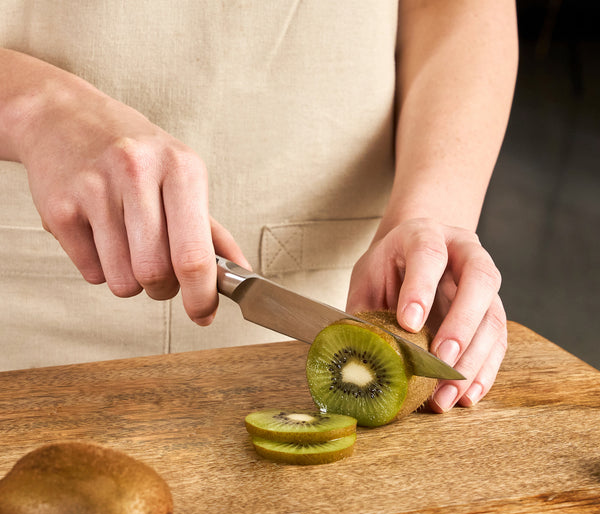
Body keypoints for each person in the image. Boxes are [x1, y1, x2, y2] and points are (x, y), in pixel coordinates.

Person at [0, 1, 518, 412]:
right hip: (24, 315)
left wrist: (427, 214)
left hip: (331, 281)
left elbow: (451, 6)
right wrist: (35, 107)